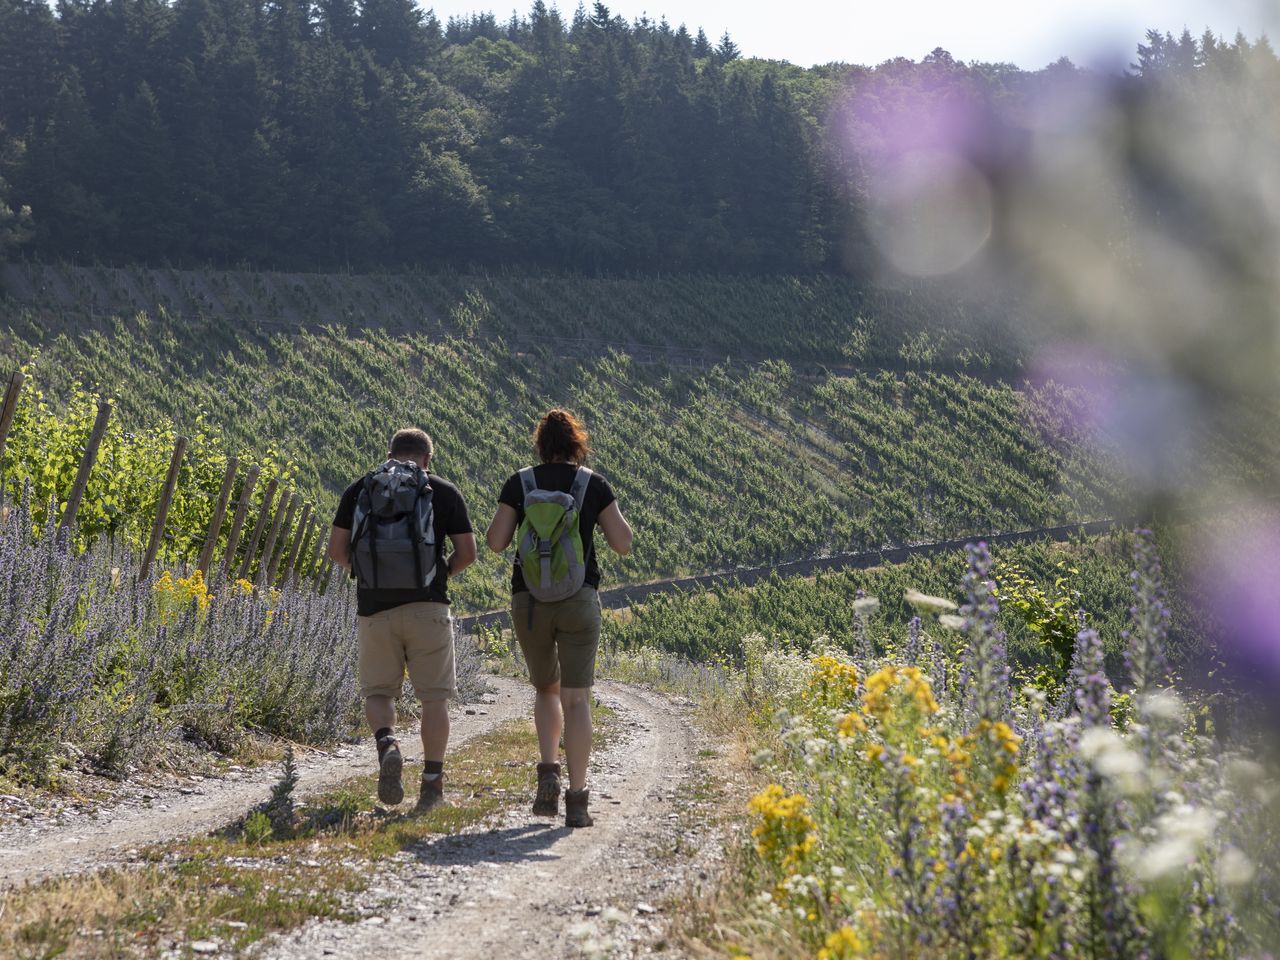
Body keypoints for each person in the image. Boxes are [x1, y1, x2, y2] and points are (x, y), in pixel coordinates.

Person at [485, 409, 632, 828]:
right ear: (576, 444)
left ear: (540, 445)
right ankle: (578, 799)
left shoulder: (521, 483)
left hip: (529, 601)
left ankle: (548, 771)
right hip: (579, 599)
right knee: (577, 698)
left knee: (546, 690)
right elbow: (623, 544)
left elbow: (496, 543)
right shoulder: (592, 484)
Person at [328, 428, 476, 811]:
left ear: (390, 454)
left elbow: (336, 551)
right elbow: (467, 552)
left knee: (378, 692)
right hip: (429, 607)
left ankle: (387, 743)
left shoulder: (360, 489)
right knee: (434, 699)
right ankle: (431, 788)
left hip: (374, 607)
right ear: (428, 459)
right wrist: (438, 573)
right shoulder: (442, 491)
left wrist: (366, 573)